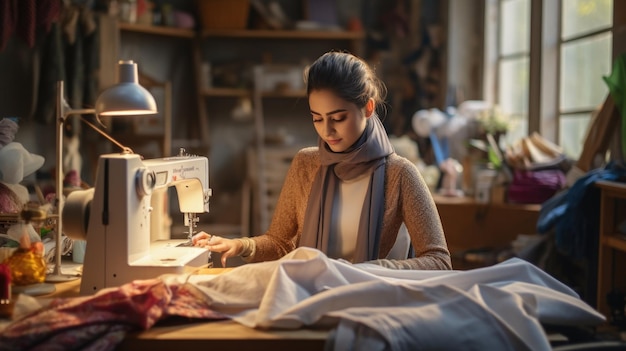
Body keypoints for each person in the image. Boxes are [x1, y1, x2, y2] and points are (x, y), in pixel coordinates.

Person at [193, 51, 452, 270]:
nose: (327, 131)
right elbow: (280, 243)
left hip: (372, 300)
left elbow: (439, 261)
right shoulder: (306, 164)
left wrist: (368, 270)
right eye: (317, 118)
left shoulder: (400, 174)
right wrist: (240, 245)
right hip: (311, 292)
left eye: (338, 118)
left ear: (368, 108)